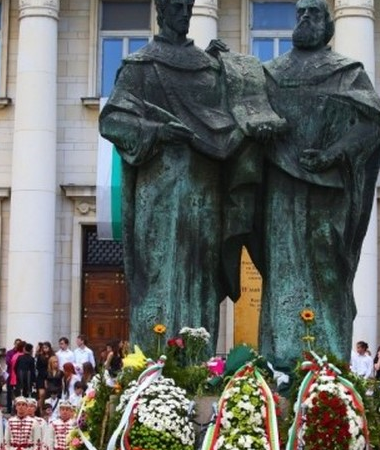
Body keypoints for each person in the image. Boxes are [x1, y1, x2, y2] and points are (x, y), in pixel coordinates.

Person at [99, 0, 284, 353]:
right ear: (161, 12)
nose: (184, 13)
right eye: (177, 7)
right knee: (160, 271)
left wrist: (228, 68)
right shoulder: (141, 66)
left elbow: (234, 112)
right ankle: (155, 361)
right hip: (161, 186)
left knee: (202, 273)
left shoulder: (208, 66)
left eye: (187, 6)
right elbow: (113, 121)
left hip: (205, 185)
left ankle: (197, 363)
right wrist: (158, 131)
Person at [258, 0, 380, 370]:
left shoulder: (346, 72)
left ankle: (329, 359)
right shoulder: (270, 73)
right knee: (282, 268)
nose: (304, 17)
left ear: (329, 26)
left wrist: (334, 153)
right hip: (281, 186)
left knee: (328, 266)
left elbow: (375, 125)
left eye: (314, 12)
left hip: (329, 190)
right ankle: (281, 359)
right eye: (300, 12)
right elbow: (247, 115)